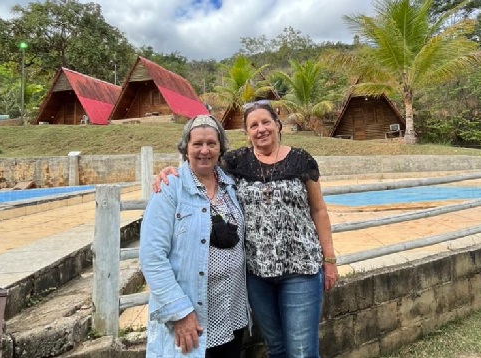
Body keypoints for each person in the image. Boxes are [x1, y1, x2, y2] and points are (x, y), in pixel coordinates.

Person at [154, 101, 339, 357]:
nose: (261, 129)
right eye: (253, 125)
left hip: (302, 269)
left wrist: (329, 260)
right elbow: (201, 163)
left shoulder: (301, 160)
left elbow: (319, 210)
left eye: (266, 122)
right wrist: (172, 171)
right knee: (275, 348)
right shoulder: (236, 162)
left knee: (301, 350)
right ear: (246, 132)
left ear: (277, 124)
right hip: (256, 274)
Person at [140, 114, 248, 358]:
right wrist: (180, 313)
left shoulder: (230, 186)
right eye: (197, 144)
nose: (204, 150)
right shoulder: (169, 189)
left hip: (232, 315)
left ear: (221, 148)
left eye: (211, 143)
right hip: (192, 320)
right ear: (185, 148)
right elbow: (152, 257)